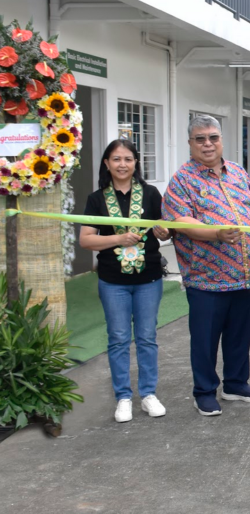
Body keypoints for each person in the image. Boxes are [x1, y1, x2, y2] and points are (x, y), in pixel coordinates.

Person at [163, 114, 250, 417]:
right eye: (200, 139)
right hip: (206, 278)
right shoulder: (182, 180)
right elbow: (181, 222)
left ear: (221, 140)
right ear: (190, 143)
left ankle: (235, 384)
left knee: (240, 334)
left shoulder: (237, 172)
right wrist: (216, 234)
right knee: (205, 339)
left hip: (244, 275)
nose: (207, 144)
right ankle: (204, 391)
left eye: (213, 137)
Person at [80, 139, 172, 423]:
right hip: (112, 280)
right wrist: (118, 238)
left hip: (149, 278)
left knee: (147, 337)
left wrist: (164, 232)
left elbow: (166, 229)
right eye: (117, 159)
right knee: (118, 338)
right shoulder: (96, 198)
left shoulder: (151, 194)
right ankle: (123, 397)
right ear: (107, 163)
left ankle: (148, 394)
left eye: (128, 159)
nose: (122, 164)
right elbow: (86, 240)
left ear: (136, 163)